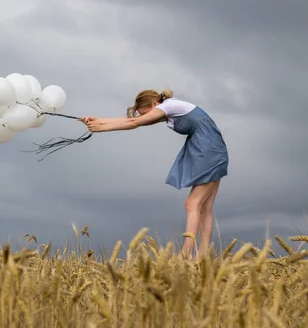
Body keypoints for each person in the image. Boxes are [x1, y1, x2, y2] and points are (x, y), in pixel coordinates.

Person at [80, 89, 228, 259]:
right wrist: (98, 121)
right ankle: (202, 256)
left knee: (192, 203)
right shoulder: (168, 108)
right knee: (205, 207)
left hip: (209, 149)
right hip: (214, 148)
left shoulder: (168, 106)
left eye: (145, 112)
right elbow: (133, 120)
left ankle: (185, 255)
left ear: (153, 105)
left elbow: (135, 123)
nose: (144, 116)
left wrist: (101, 129)